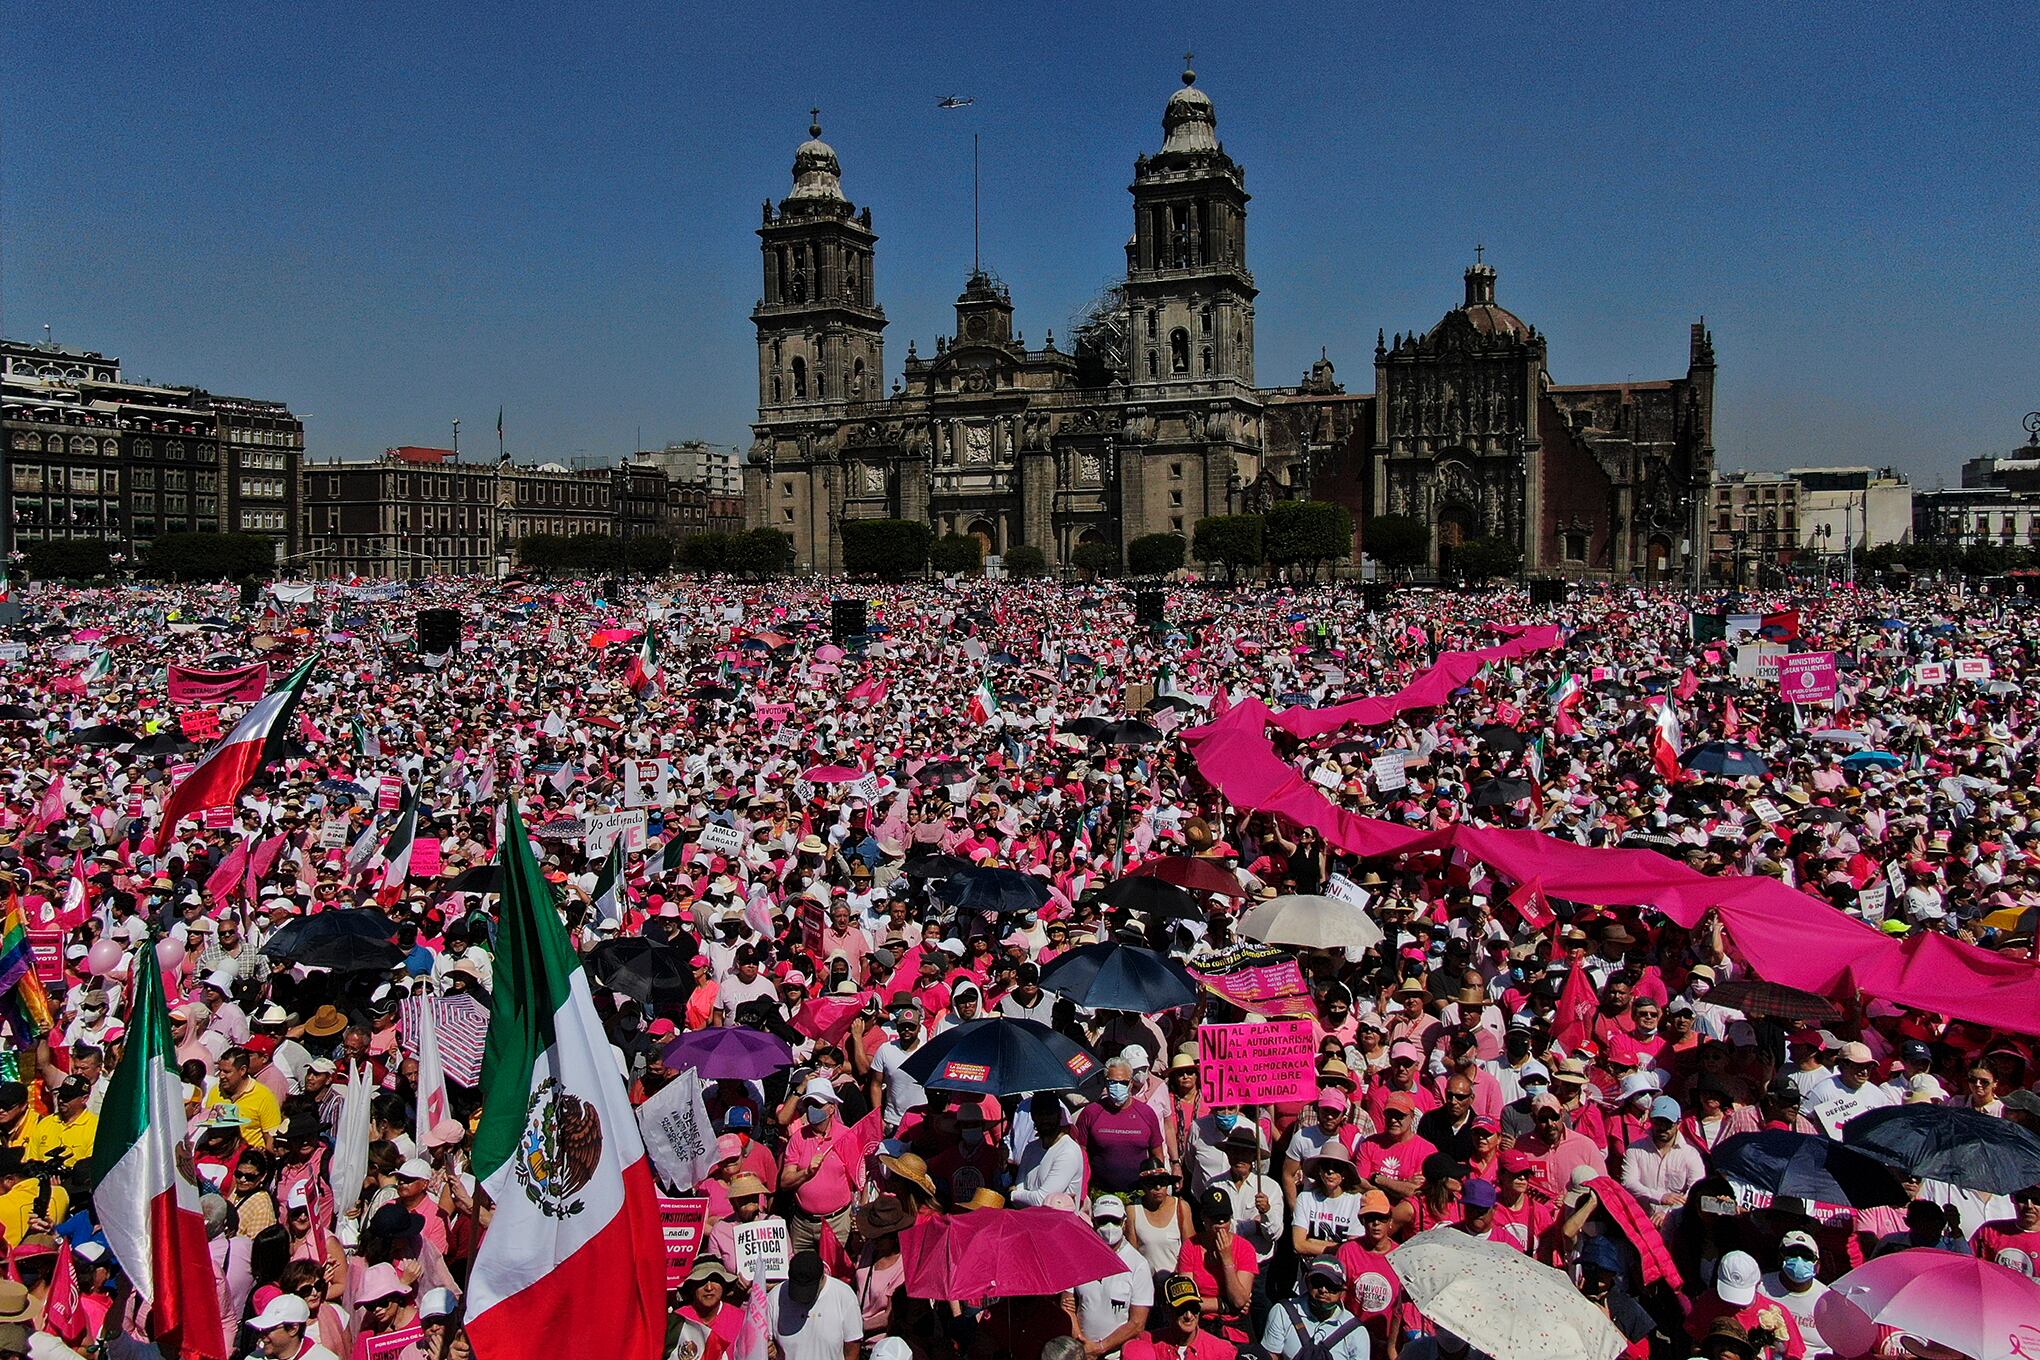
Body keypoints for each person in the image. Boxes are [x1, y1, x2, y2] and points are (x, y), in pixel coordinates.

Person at [1074, 1198, 1153, 1360]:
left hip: (1117, 1355)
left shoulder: (1138, 1264)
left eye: (1115, 1221)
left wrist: (1100, 1347)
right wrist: (1081, 1344)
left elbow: (1137, 1323)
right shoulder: (1078, 1257)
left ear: (1124, 1222)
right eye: (1103, 1220)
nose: (1109, 1226)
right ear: (1093, 1221)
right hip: (1080, 1351)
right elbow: (1067, 1304)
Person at [1074, 1058, 1167, 1196]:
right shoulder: (1091, 1112)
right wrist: (1082, 1192)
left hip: (1139, 1193)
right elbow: (1080, 1154)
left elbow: (1157, 1154)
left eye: (1123, 1082)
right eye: (1112, 1082)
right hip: (1100, 1193)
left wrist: (1156, 1186)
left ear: (1131, 1083)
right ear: (1106, 1083)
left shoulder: (1146, 1113)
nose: (1118, 1087)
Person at [1261, 1258, 1369, 1360]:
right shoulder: (1283, 1312)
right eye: (1317, 1282)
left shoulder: (1356, 1331)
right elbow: (1271, 1356)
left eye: (1331, 1285)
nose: (1323, 1290)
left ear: (1342, 1290)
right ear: (1307, 1283)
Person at [767, 1250, 861, 1360]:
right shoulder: (775, 1297)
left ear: (822, 1277)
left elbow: (852, 1349)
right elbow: (765, 1342)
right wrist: (770, 1349)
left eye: (807, 1290)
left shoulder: (844, 1296)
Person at [1123, 1274, 1237, 1360]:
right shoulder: (1149, 1342)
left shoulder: (1221, 1351)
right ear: (1167, 1310)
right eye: (1181, 1309)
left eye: (1193, 1307)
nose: (1188, 1315)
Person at [1758, 1231, 1828, 1355]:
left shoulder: (1827, 1299)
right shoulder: (1761, 1287)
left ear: (1817, 1265)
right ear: (1780, 1257)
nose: (1799, 1259)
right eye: (1792, 1253)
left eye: (1807, 1256)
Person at [248, 1292, 341, 1360]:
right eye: (261, 1330)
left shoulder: (325, 1358)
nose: (262, 1336)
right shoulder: (253, 1358)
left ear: (293, 1329)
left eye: (269, 1330)